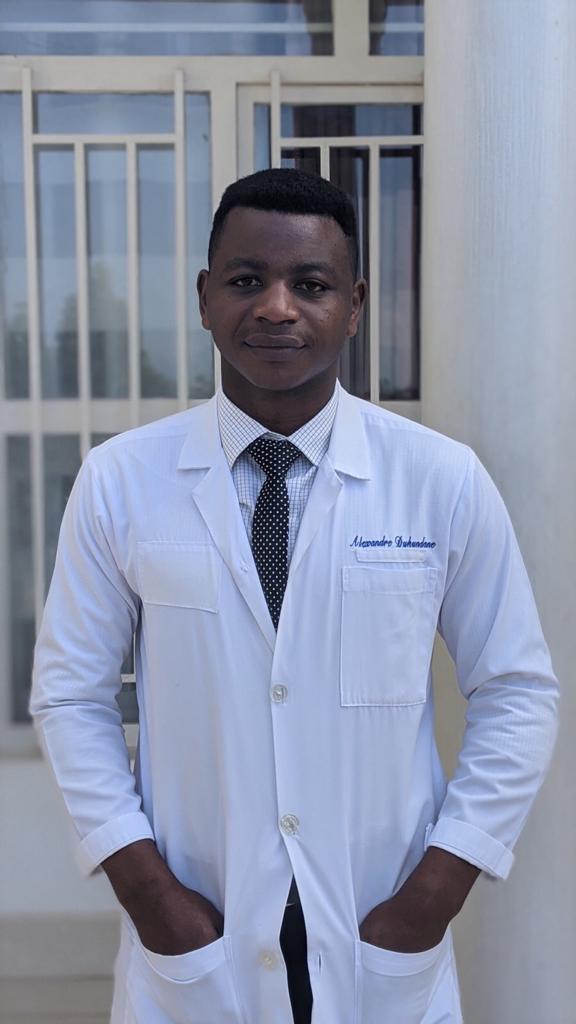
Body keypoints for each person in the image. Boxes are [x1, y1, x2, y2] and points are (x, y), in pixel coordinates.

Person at [30, 168, 559, 1024]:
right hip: (199, 927)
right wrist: (148, 891)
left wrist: (436, 890)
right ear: (205, 299)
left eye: (310, 285)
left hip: (377, 925)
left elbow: (518, 692)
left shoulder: (440, 480)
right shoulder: (120, 481)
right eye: (247, 280)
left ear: (354, 305)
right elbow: (71, 696)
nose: (277, 308)